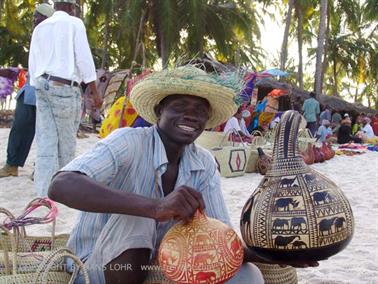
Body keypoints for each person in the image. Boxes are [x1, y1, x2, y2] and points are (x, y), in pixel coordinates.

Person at [48, 66, 317, 283]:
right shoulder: (127, 142)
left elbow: (220, 240)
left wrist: (272, 254)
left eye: (200, 111)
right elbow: (61, 185)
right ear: (159, 112)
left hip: (161, 263)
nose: (191, 115)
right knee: (139, 217)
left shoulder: (204, 163)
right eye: (180, 106)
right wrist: (156, 207)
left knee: (247, 276)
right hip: (95, 263)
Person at [28, 0, 102, 196]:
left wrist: (39, 89)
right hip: (64, 88)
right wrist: (94, 91)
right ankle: (63, 191)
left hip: (42, 86)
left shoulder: (41, 27)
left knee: (46, 142)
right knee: (66, 143)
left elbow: (33, 64)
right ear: (71, 8)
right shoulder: (74, 24)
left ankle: (43, 194)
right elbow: (84, 59)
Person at [0, 4, 55, 178]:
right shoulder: (36, 37)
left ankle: (41, 168)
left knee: (45, 132)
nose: (33, 19)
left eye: (37, 16)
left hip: (48, 89)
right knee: (20, 127)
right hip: (30, 89)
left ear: (47, 19)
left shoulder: (54, 38)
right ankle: (11, 165)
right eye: (33, 16)